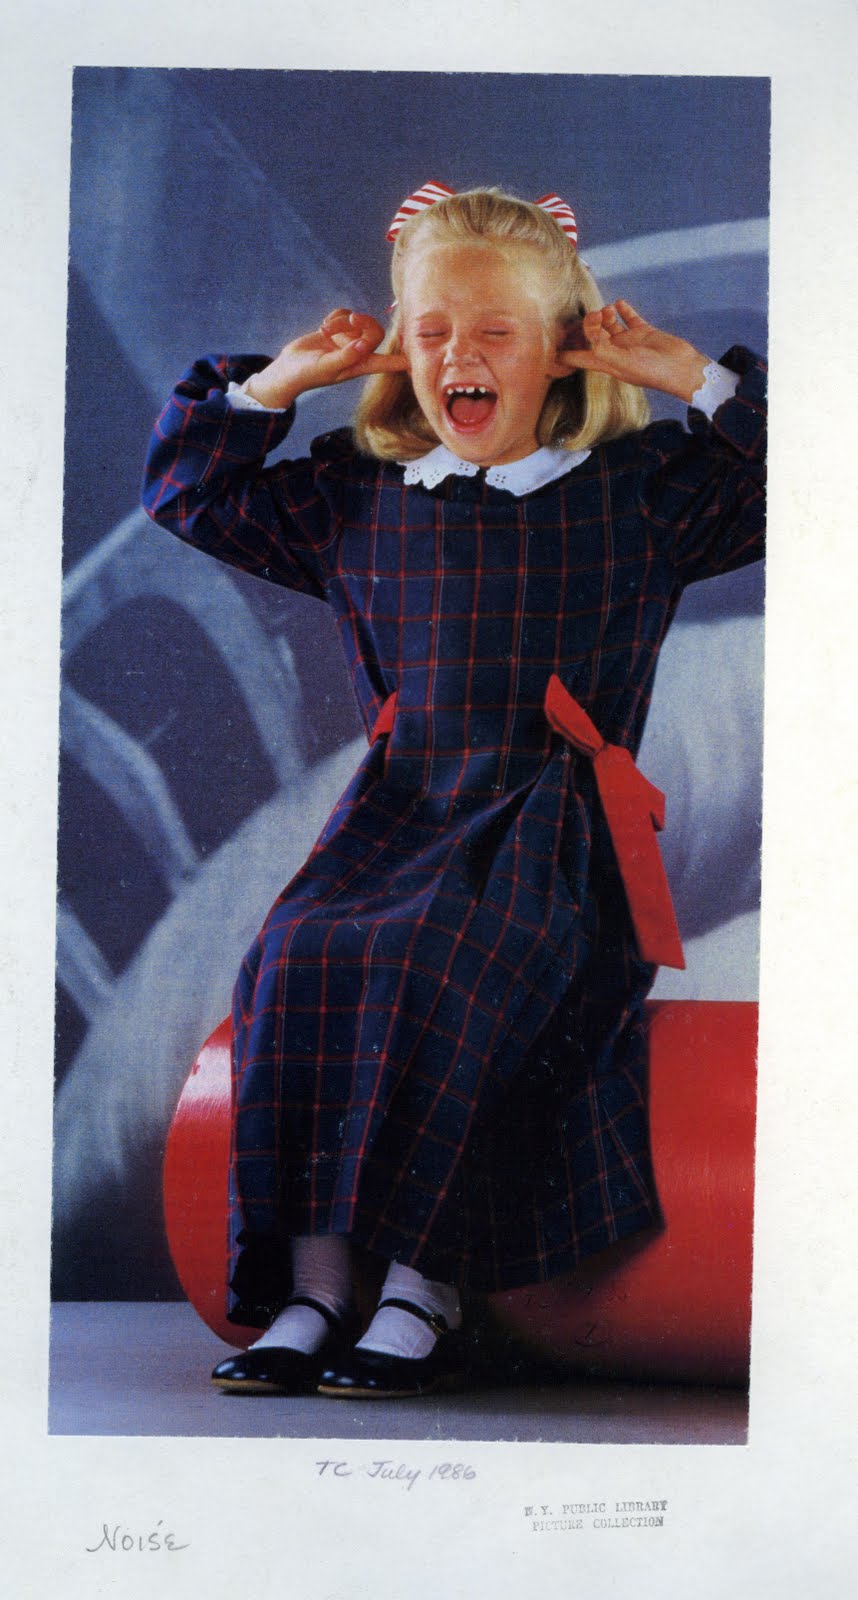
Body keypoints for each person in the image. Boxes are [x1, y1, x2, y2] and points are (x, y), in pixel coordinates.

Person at [142, 184, 766, 1399]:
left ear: (561, 346)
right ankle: (318, 1290)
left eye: (496, 332)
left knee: (442, 952)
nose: (459, 357)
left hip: (552, 832)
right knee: (295, 950)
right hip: (399, 814)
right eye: (431, 331)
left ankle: (422, 1286)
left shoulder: (637, 492)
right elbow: (187, 492)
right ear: (398, 345)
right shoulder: (362, 495)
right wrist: (283, 381)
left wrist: (693, 375)